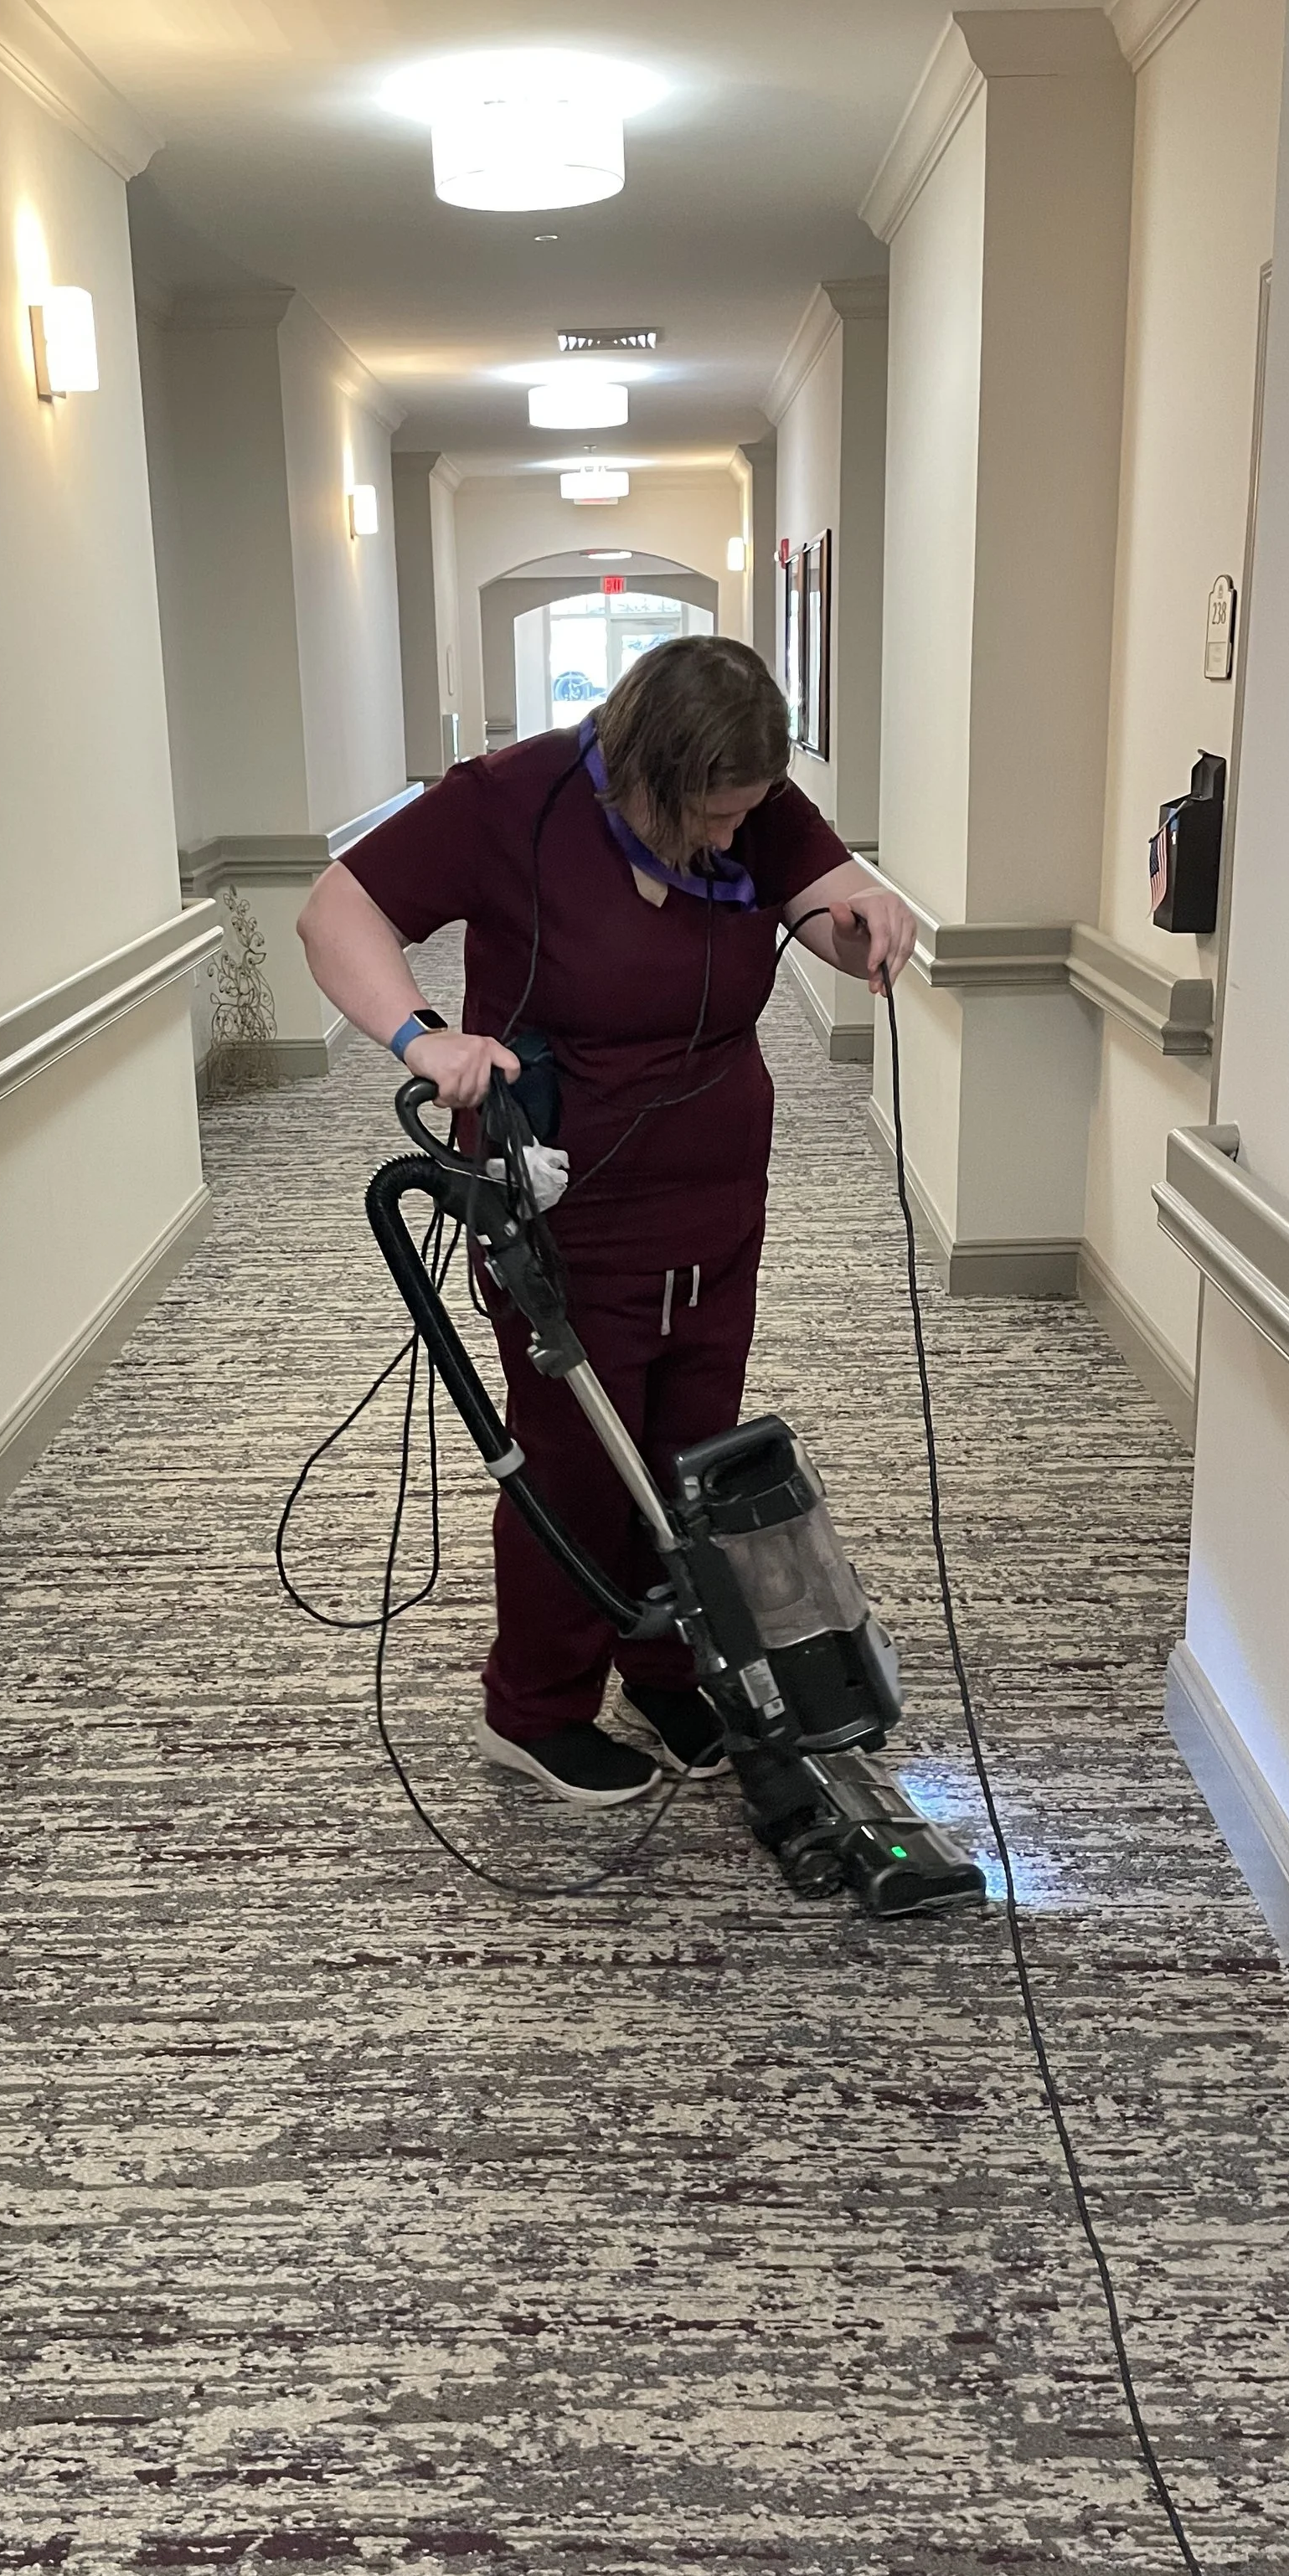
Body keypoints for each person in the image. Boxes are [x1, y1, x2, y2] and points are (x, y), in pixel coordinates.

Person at [297, 635, 915, 1809]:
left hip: (719, 1190)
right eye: (714, 818)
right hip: (566, 1200)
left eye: (750, 814)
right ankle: (535, 1710)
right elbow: (336, 913)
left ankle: (666, 1665)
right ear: (640, 772)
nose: (736, 838)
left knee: (692, 1449)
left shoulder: (754, 798)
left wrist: (864, 919)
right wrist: (424, 1038)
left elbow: (824, 902)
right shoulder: (509, 802)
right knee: (579, 1461)